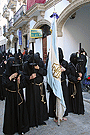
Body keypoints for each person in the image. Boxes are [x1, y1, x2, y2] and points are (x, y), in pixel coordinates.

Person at [2, 57, 29, 135]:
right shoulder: (5, 74)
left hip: (18, 95)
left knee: (20, 111)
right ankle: (11, 129)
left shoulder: (20, 73)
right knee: (11, 112)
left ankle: (21, 127)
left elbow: (24, 84)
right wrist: (11, 78)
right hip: (10, 96)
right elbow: (5, 84)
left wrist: (19, 82)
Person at [23, 53, 48, 128]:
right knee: (32, 103)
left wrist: (38, 69)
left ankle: (40, 119)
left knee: (40, 103)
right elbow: (24, 76)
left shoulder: (40, 63)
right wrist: (30, 77)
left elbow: (45, 72)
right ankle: (32, 121)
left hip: (40, 87)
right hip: (31, 88)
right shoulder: (26, 65)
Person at [58, 47, 69, 120]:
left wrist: (64, 69)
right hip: (57, 83)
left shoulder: (64, 62)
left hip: (63, 82)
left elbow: (68, 72)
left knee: (64, 98)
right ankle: (57, 114)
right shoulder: (54, 62)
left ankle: (64, 114)